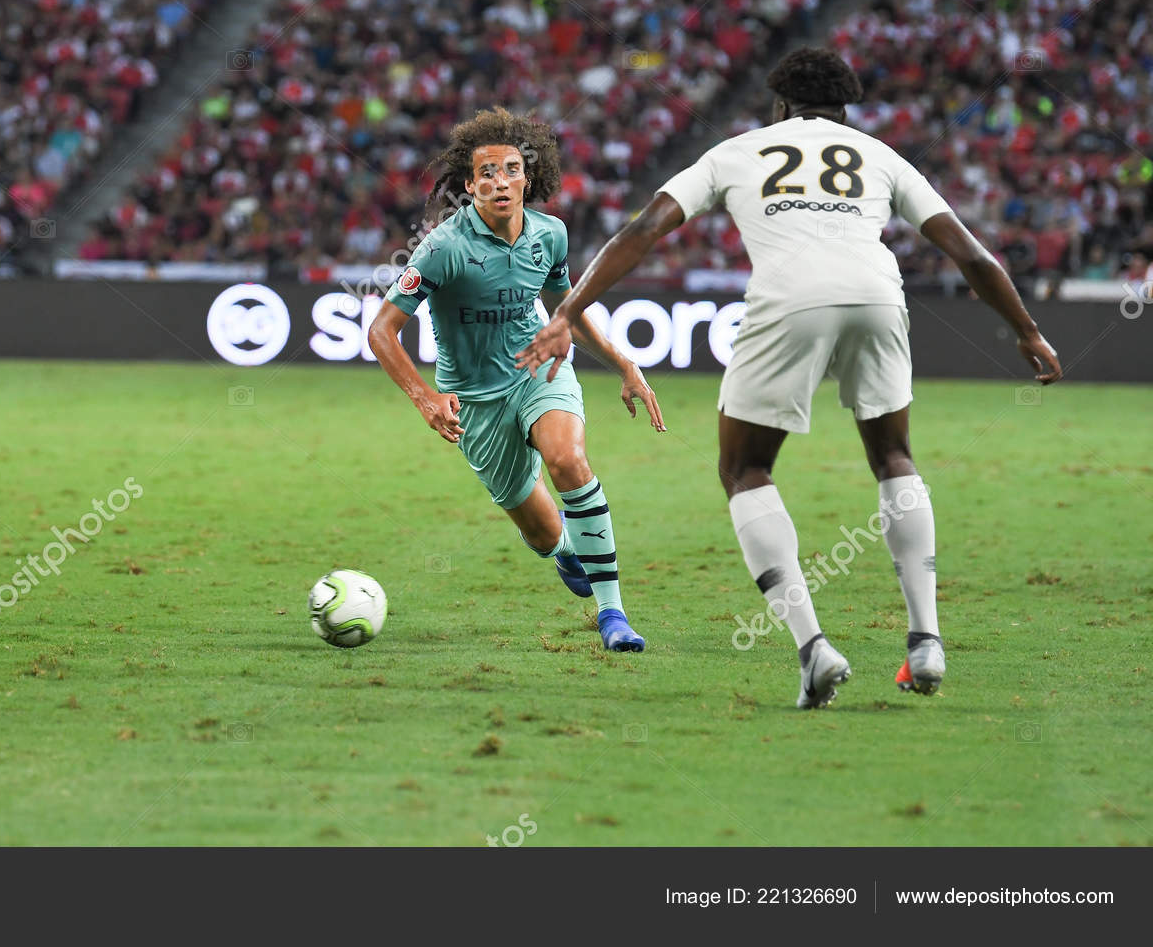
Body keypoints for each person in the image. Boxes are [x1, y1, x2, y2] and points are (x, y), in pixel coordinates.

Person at [517, 48, 1063, 706]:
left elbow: (646, 228)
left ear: (780, 105)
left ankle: (814, 649)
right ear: (844, 107)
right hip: (877, 291)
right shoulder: (879, 155)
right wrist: (1026, 328)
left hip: (789, 297)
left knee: (744, 469)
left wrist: (568, 311)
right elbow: (970, 253)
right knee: (894, 455)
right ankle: (926, 642)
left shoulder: (738, 151)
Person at [367, 107, 666, 654]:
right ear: (469, 184)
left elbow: (565, 312)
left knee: (567, 460)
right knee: (544, 533)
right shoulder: (441, 248)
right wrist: (425, 397)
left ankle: (613, 614)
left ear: (528, 177)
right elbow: (382, 330)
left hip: (539, 370)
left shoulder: (551, 234)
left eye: (509, 169)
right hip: (476, 400)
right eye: (486, 172)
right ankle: (565, 553)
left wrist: (624, 363)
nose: (499, 181)